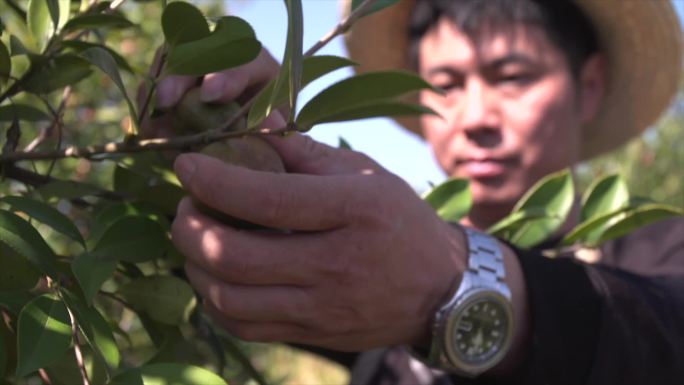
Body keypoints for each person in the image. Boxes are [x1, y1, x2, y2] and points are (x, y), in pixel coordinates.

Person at [156, 0, 684, 384]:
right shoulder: (373, 260)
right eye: (446, 85)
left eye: (514, 77)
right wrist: (239, 144)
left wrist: (455, 284)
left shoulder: (656, 249)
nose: (475, 117)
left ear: (587, 86)